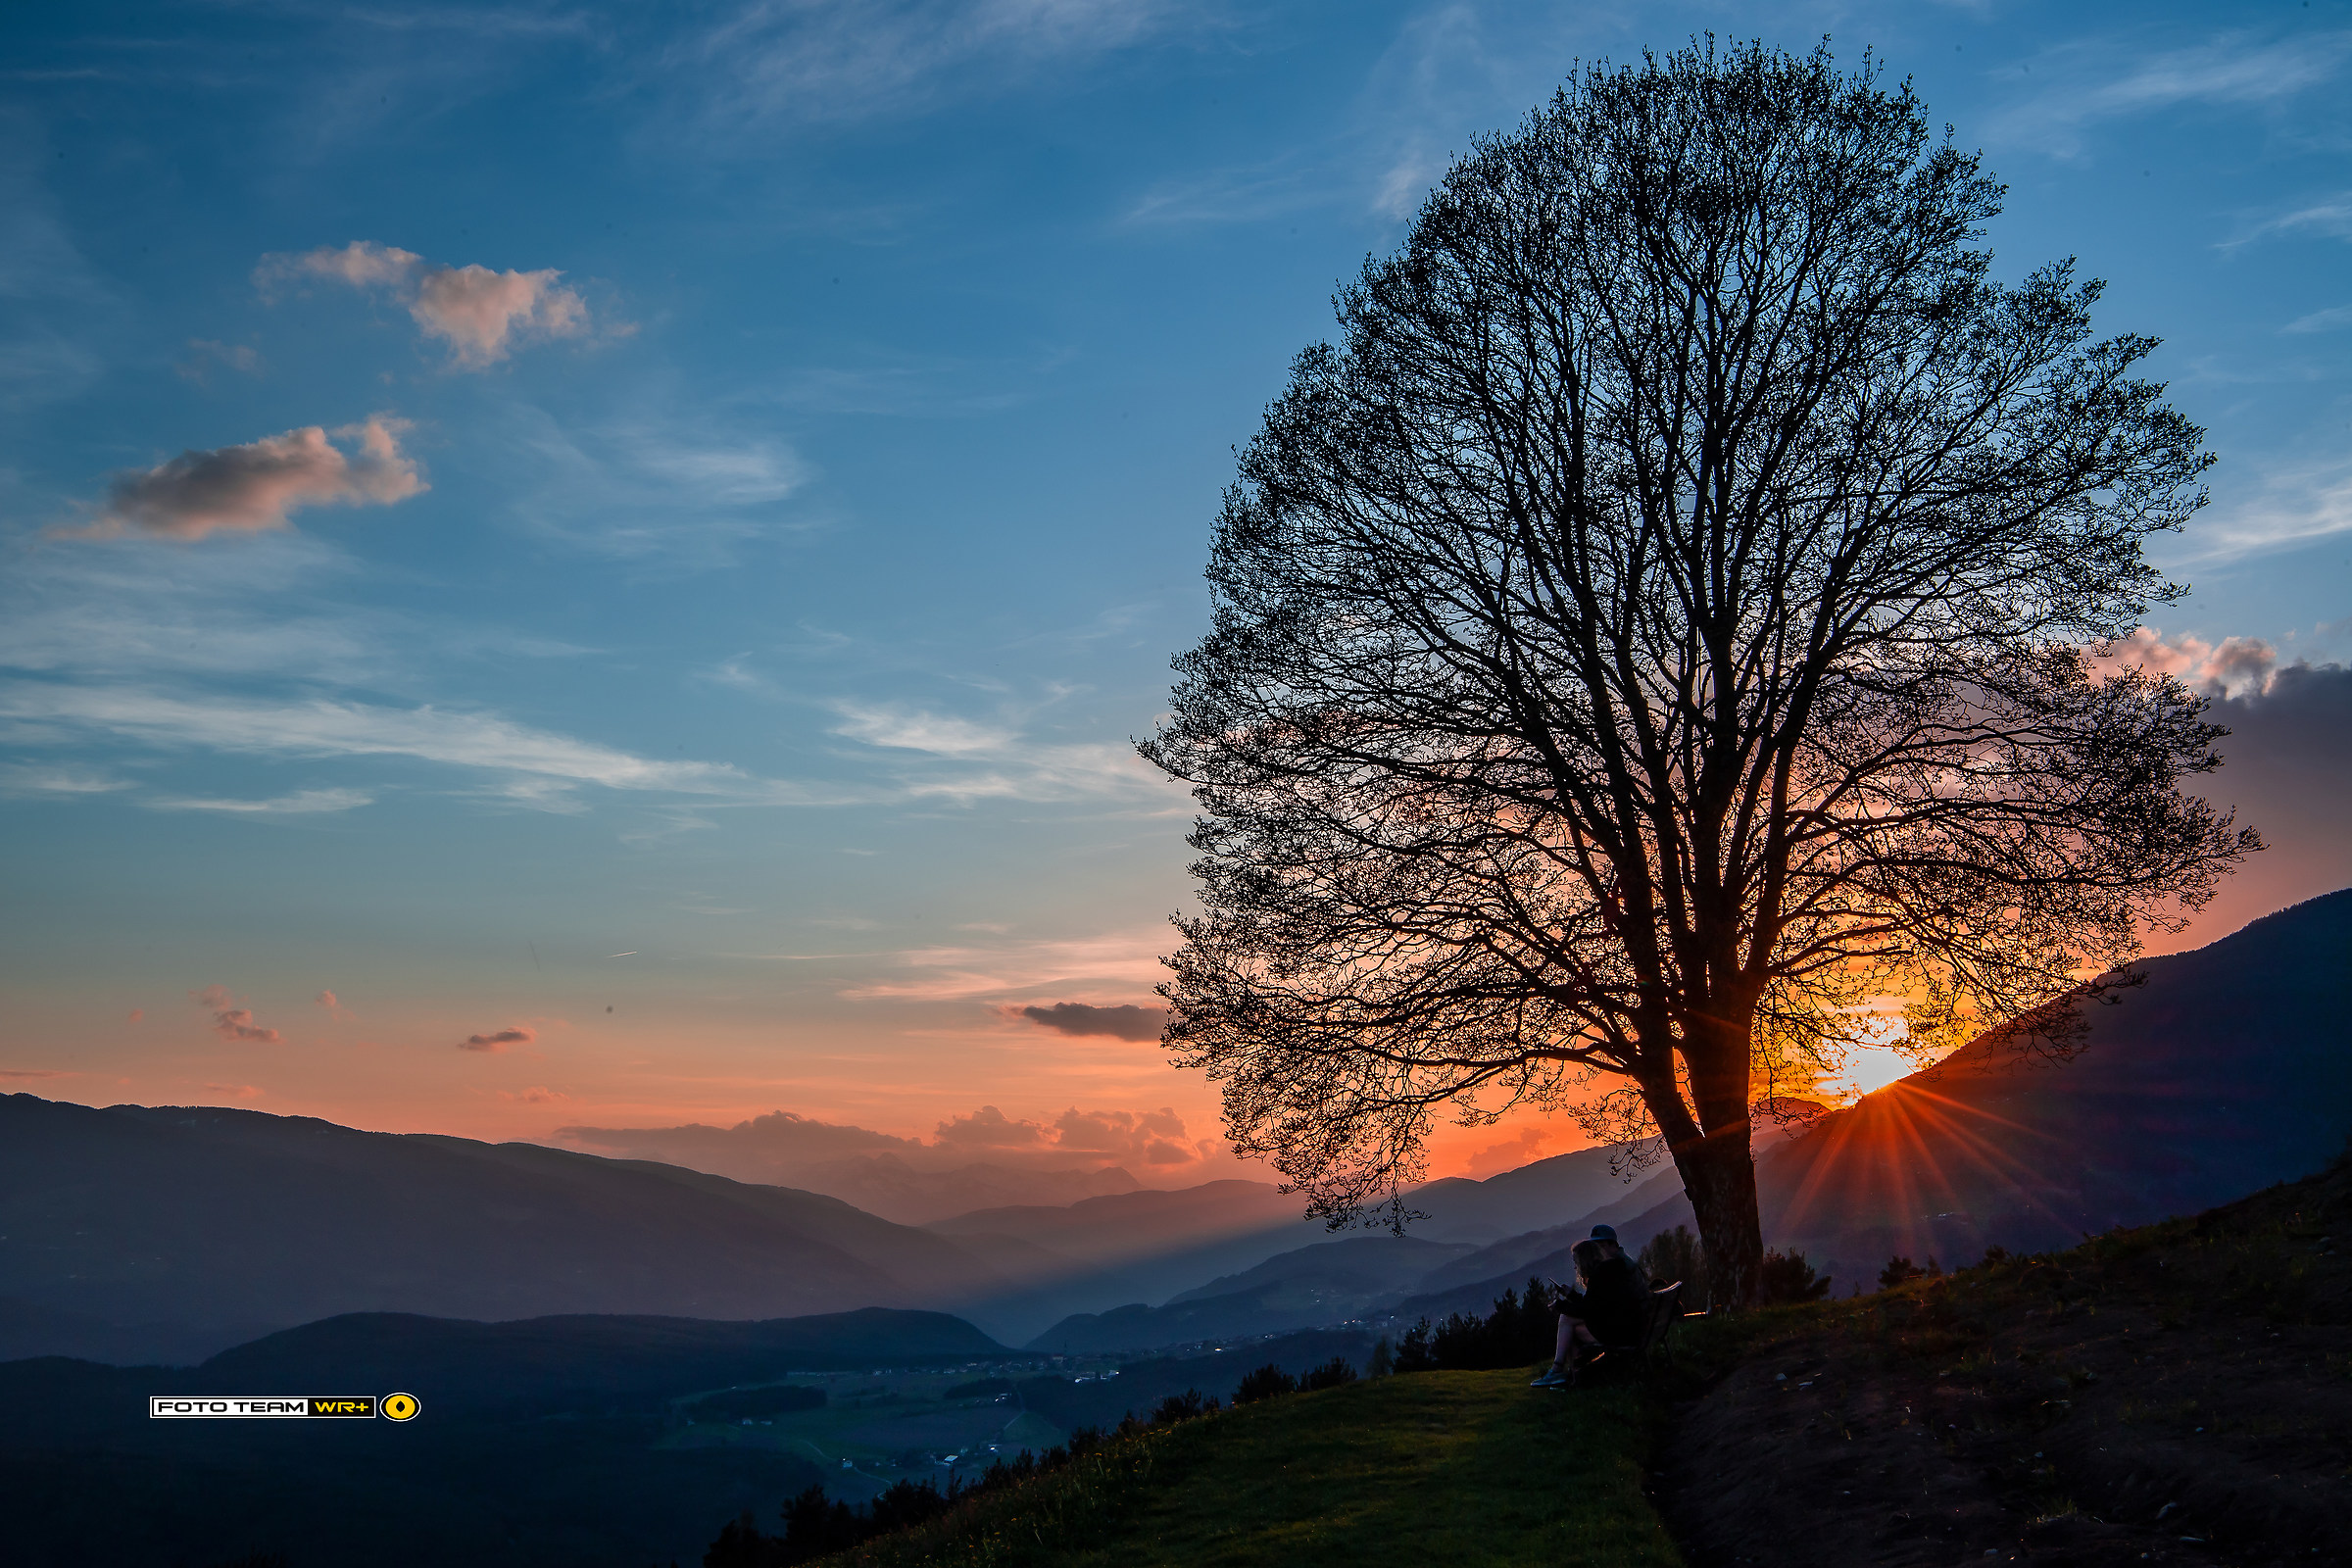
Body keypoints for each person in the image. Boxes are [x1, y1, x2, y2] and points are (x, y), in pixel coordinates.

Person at [1530, 1225, 1648, 1388]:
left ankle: (1563, 1374)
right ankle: (1568, 1376)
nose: (1598, 1249)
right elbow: (1597, 1304)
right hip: (1633, 1327)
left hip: (1622, 1333)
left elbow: (1591, 1310)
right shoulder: (1618, 1267)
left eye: (1600, 1245)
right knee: (1569, 1322)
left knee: (1567, 1322)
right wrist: (1571, 1296)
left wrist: (1560, 1305)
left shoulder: (1608, 1271)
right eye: (1596, 1246)